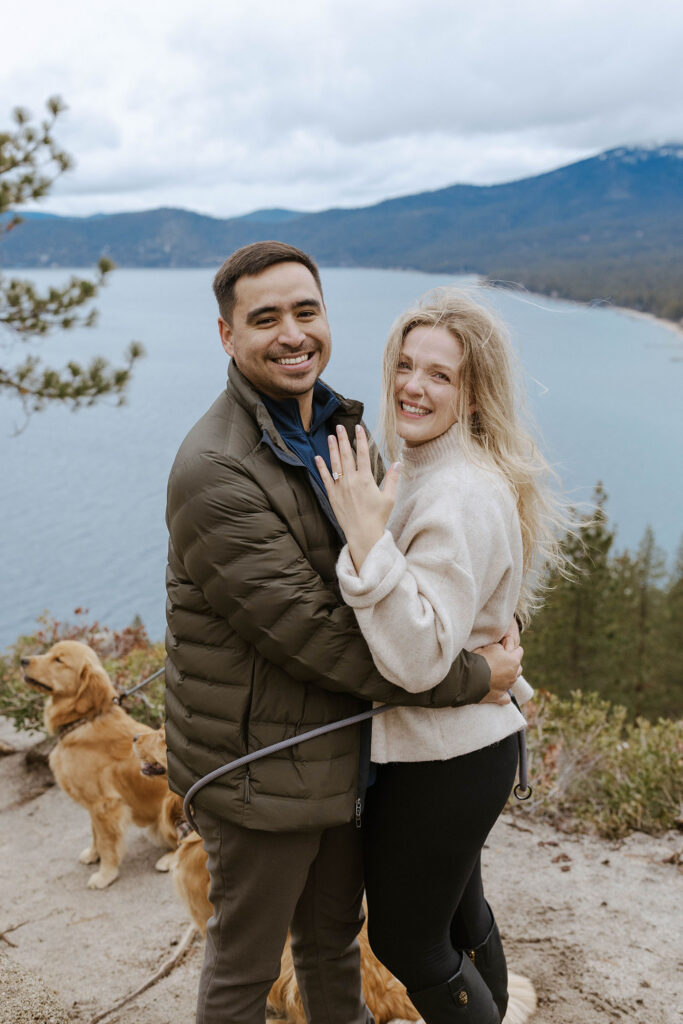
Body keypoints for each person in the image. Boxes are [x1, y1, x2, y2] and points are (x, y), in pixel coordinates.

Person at [164, 242, 524, 1024]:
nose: (291, 333)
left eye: (305, 311)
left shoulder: (334, 431)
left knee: (332, 944)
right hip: (259, 769)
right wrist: (478, 677)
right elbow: (322, 637)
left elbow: (411, 582)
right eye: (264, 319)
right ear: (227, 336)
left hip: (332, 757)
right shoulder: (216, 470)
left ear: (327, 318)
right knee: (244, 969)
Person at [317, 288, 565, 1023]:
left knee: (407, 941)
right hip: (467, 745)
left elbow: (420, 655)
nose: (411, 386)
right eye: (405, 364)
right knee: (460, 913)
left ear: (473, 394)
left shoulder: (454, 490)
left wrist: (365, 542)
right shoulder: (435, 468)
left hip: (444, 759)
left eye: (439, 375)